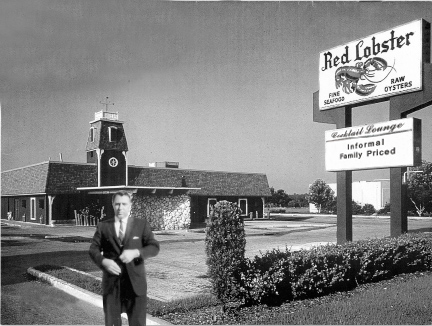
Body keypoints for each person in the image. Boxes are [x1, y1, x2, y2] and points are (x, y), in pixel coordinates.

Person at [89, 190, 160, 326]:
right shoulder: (103, 226)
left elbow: (154, 246)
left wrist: (136, 253)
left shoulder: (141, 225)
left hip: (135, 286)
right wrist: (104, 261)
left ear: (130, 205)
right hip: (112, 286)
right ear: (112, 204)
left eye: (124, 204)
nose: (120, 208)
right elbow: (93, 249)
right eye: (117, 204)